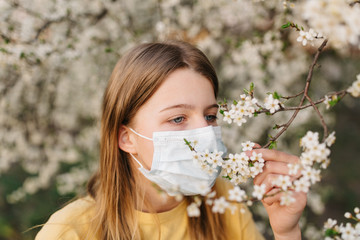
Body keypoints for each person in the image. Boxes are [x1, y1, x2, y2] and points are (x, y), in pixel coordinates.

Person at [35, 40, 306, 240]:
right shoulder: (70, 232)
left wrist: (287, 232)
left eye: (210, 116)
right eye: (178, 119)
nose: (204, 133)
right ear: (127, 138)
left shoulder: (224, 205)